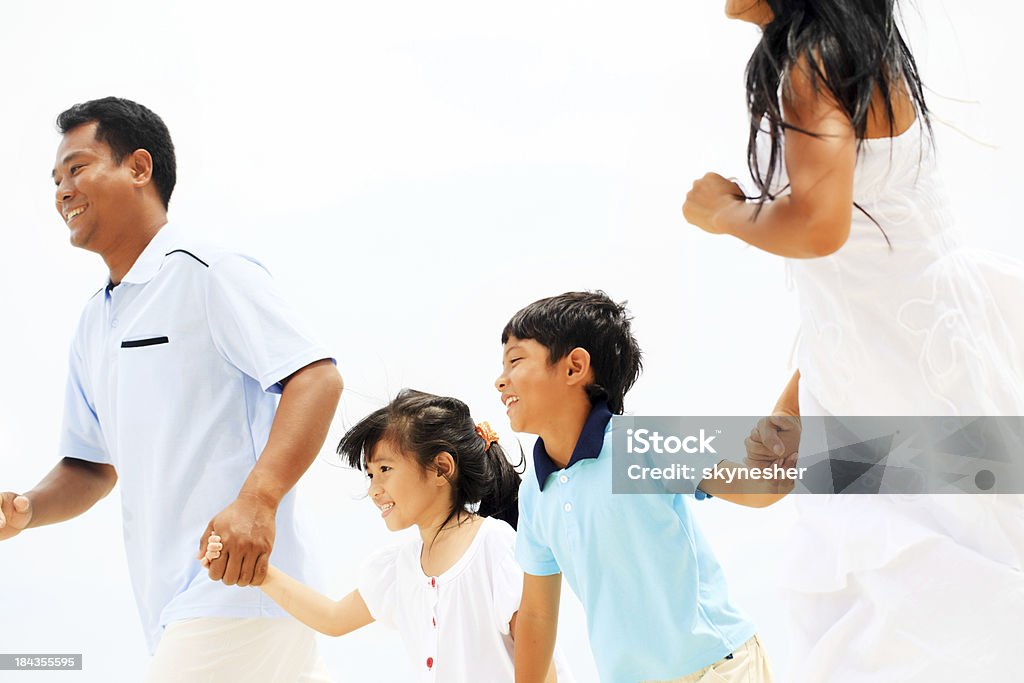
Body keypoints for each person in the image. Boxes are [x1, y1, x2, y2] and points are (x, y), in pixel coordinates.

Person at [683, 2, 1024, 680]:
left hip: (901, 370)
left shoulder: (816, 63)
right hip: (907, 352)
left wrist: (723, 214)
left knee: (916, 611)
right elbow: (851, 273)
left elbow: (819, 228)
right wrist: (675, 463)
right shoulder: (853, 54)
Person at [0, 97, 344, 682]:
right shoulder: (94, 323)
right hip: (174, 608)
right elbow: (89, 467)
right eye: (56, 179)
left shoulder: (207, 270)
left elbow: (315, 377)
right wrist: (27, 509)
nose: (62, 190)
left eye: (78, 168)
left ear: (139, 168)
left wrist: (258, 500)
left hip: (240, 590)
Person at [498, 291, 799, 683]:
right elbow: (537, 614)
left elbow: (758, 488)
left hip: (718, 667)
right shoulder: (536, 492)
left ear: (575, 367)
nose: (500, 380)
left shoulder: (641, 441)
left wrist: (795, 399)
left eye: (515, 360)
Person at [204, 389, 575, 682]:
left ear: (441, 468)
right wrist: (259, 572)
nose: (374, 489)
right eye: (369, 475)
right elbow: (333, 618)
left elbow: (542, 667)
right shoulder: (399, 568)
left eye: (385, 469)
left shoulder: (495, 546)